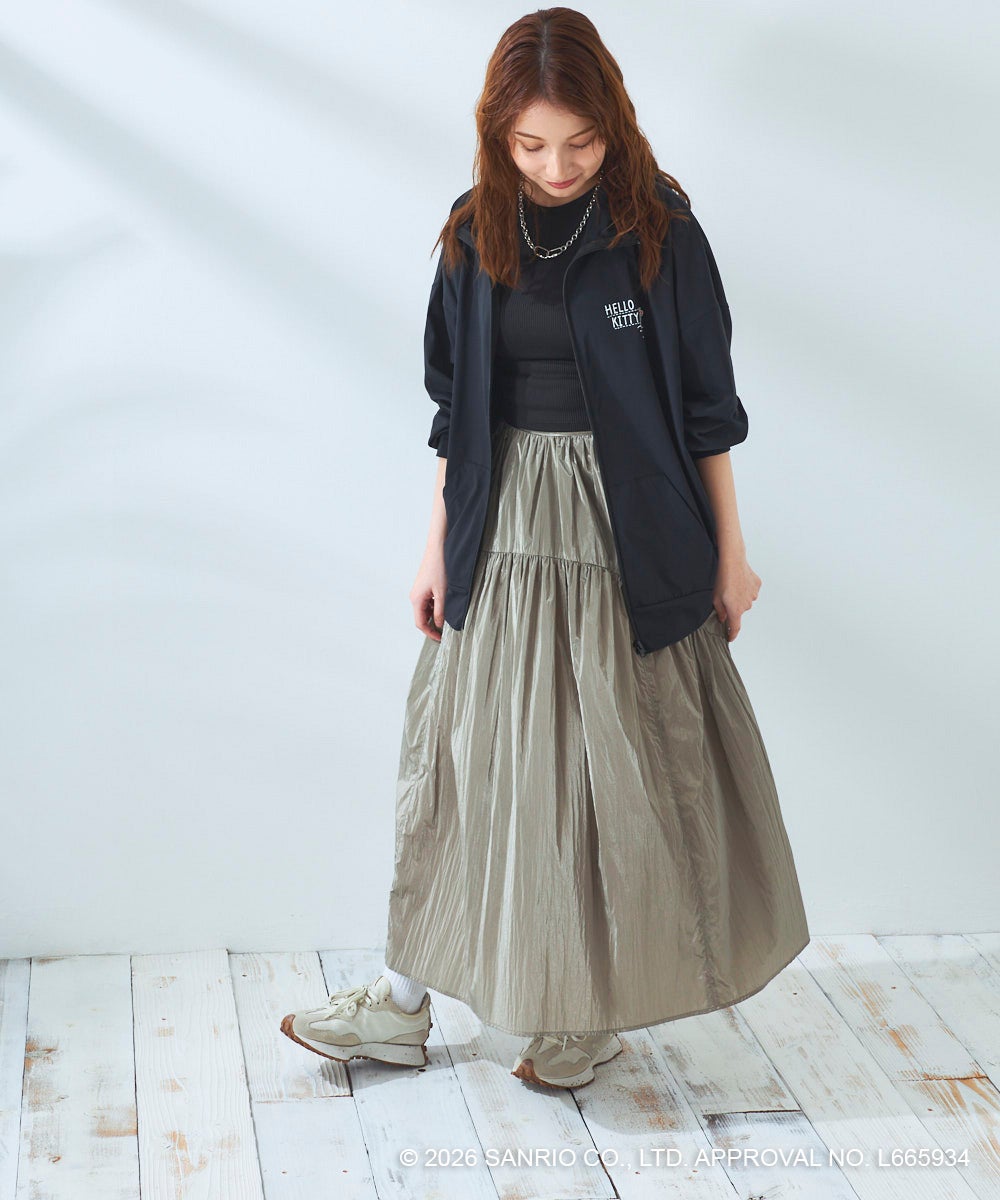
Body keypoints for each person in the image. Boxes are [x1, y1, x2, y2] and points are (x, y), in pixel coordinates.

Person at [282, 7, 810, 1091]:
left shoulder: (660, 232)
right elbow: (454, 412)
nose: (558, 166)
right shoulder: (473, 231)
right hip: (502, 523)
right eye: (530, 145)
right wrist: (435, 546)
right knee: (465, 761)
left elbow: (708, 411)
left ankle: (582, 1012)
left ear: (613, 124)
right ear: (498, 136)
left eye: (580, 142)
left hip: (628, 531)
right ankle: (398, 1004)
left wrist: (732, 552)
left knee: (609, 773)